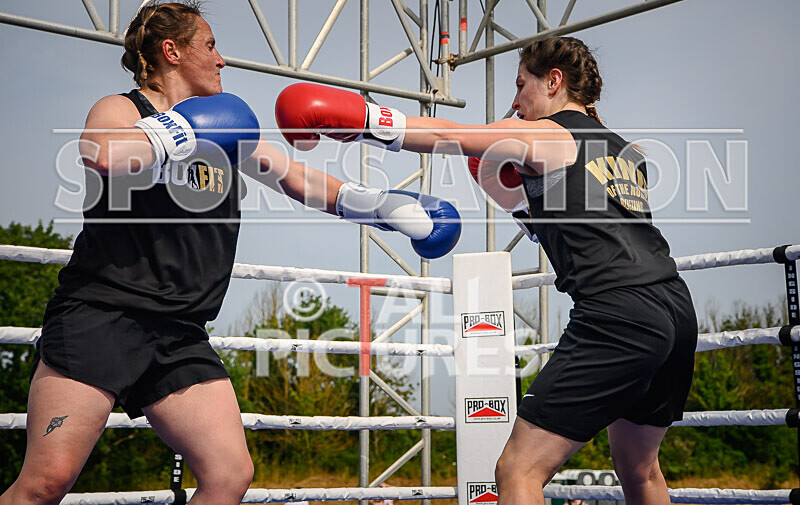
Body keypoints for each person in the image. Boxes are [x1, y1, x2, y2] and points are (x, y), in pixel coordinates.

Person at [0, 2, 460, 504]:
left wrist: (386, 207)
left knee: (229, 474)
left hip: (179, 331)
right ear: (171, 52)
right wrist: (180, 131)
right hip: (105, 315)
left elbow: (299, 179)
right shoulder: (124, 110)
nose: (223, 60)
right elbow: (103, 154)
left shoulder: (229, 130)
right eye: (211, 46)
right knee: (47, 482)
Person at [274, 36, 698, 505]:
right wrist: (520, 202)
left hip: (618, 311)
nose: (515, 101)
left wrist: (366, 121)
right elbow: (586, 227)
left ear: (553, 81)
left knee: (518, 469)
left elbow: (447, 135)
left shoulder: (548, 134)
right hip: (675, 308)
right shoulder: (623, 151)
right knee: (640, 470)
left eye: (522, 85)